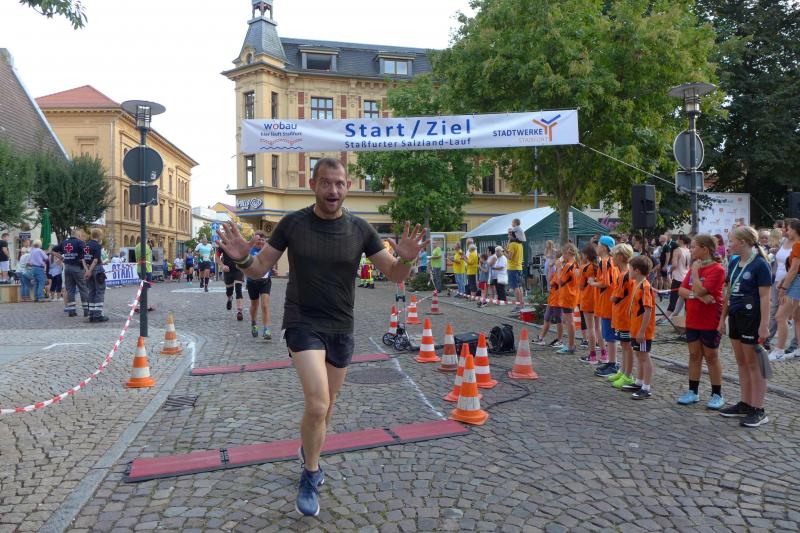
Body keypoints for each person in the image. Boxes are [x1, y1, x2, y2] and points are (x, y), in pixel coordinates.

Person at [216, 157, 426, 517]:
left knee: (327, 408)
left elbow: (393, 273)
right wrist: (243, 260)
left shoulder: (360, 229)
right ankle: (311, 473)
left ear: (347, 187)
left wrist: (405, 260)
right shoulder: (293, 223)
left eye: (339, 183)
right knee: (317, 404)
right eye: (326, 182)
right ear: (313, 185)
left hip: (341, 326)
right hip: (303, 322)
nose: (333, 190)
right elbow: (260, 267)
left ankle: (309, 449)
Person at [717, 226, 772, 427]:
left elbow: (765, 297)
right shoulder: (734, 262)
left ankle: (758, 409)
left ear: (743, 242)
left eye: (731, 241)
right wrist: (722, 319)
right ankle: (745, 403)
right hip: (736, 316)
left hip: (752, 318)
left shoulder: (760, 264)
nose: (728, 245)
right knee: (741, 362)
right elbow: (728, 293)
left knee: (754, 365)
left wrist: (764, 325)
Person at [676, 234, 726, 409]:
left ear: (705, 249)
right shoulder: (694, 267)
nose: (691, 250)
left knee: (711, 356)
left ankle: (717, 394)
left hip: (709, 319)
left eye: (694, 247)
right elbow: (682, 290)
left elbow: (701, 289)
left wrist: (696, 274)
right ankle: (693, 391)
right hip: (693, 318)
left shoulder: (717, 269)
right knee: (694, 355)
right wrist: (697, 296)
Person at [625, 256, 656, 399]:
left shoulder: (645, 287)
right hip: (635, 327)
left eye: (630, 269)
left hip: (642, 331)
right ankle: (639, 382)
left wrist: (642, 331)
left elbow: (648, 310)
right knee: (638, 354)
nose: (628, 271)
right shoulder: (637, 283)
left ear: (636, 270)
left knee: (644, 356)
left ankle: (646, 387)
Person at [770, 219, 800, 360]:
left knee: (780, 316)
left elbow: (794, 268)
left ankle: (779, 351)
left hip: (796, 282)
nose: (786, 231)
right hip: (794, 280)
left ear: (795, 230)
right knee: (797, 318)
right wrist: (783, 281)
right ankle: (798, 350)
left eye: (788, 229)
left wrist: (784, 286)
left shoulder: (798, 245)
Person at [608, 244, 636, 389]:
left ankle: (628, 375)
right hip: (621, 315)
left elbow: (615, 296)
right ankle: (623, 371)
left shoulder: (624, 275)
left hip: (624, 316)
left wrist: (611, 297)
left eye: (613, 255)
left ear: (620, 257)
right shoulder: (625, 274)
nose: (612, 258)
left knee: (626, 346)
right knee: (624, 345)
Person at [591, 236, 618, 376]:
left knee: (609, 335)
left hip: (607, 302)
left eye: (598, 245)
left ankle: (613, 364)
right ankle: (611, 362)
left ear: (604, 247)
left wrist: (592, 282)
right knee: (609, 334)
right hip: (610, 301)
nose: (597, 247)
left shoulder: (605, 262)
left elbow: (605, 283)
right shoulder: (612, 261)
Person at [52, 230, 89, 317]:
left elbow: (52, 250)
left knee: (70, 290)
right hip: (78, 268)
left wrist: (61, 258)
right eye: (80, 235)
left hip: (67, 268)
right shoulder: (80, 242)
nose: (80, 237)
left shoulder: (64, 242)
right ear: (78, 235)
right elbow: (87, 253)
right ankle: (86, 310)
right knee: (83, 288)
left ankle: (71, 311)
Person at [245, 231, 275, 338]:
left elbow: (271, 262)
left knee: (265, 305)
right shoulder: (249, 250)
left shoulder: (268, 251)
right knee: (254, 305)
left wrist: (273, 269)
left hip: (265, 281)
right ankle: (253, 323)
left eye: (263, 240)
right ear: (254, 240)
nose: (261, 242)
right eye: (259, 239)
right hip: (252, 282)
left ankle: (266, 329)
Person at [534, 250, 563, 347]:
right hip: (552, 297)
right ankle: (541, 337)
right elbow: (549, 280)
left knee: (558, 319)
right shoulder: (555, 268)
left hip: (558, 298)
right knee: (547, 317)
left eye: (552, 258)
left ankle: (560, 340)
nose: (550, 260)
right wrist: (550, 267)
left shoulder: (561, 269)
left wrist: (553, 268)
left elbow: (553, 282)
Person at [660, 235, 691, 324]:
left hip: (678, 278)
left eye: (677, 239)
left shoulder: (677, 250)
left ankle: (664, 319)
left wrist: (669, 271)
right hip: (686, 278)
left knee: (673, 300)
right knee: (686, 301)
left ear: (681, 241)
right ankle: (685, 320)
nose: (676, 241)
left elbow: (674, 264)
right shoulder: (689, 250)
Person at [578, 243, 600, 364]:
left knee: (590, 328)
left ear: (586, 255)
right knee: (598, 328)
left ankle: (592, 355)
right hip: (597, 300)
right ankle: (603, 353)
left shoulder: (585, 268)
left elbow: (581, 286)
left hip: (587, 300)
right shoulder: (599, 266)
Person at [555, 243, 579, 355]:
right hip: (571, 295)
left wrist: (558, 268)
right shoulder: (575, 264)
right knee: (568, 320)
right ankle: (570, 344)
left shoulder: (568, 265)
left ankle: (571, 345)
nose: (562, 256)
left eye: (563, 253)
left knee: (569, 321)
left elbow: (560, 281)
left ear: (567, 252)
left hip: (568, 295)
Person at [83, 228, 108, 322]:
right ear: (99, 236)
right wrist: (90, 271)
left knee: (91, 291)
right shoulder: (97, 245)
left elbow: (83, 259)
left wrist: (87, 271)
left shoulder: (86, 245)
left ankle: (91, 314)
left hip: (88, 269)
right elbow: (96, 260)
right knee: (99, 291)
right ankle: (98, 315)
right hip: (97, 269)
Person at [218, 245, 245, 321]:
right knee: (229, 291)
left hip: (238, 270)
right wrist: (222, 265)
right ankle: (230, 298)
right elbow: (217, 256)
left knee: (238, 289)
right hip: (227, 270)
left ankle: (239, 311)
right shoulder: (223, 245)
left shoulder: (238, 242)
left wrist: (242, 264)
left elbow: (245, 254)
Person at [134, 240, 155, 312]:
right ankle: (139, 306)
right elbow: (143, 258)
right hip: (146, 270)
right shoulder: (145, 246)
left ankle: (144, 305)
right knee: (144, 289)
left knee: (143, 289)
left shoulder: (137, 246)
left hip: (140, 269)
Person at [507, 228, 524, 312]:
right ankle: (522, 304)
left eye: (509, 234)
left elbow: (509, 257)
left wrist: (503, 253)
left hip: (512, 268)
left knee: (515, 287)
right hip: (519, 267)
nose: (508, 235)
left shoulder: (512, 244)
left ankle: (518, 306)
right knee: (519, 287)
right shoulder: (520, 244)